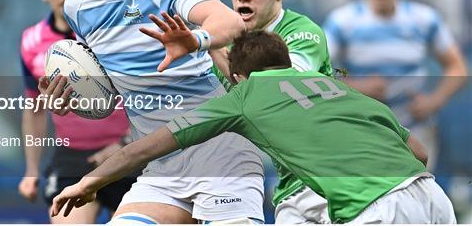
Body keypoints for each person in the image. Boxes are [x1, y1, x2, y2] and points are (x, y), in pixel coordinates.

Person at [50, 29, 457, 224]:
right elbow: (419, 152)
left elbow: (151, 145)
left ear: (240, 76)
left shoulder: (245, 95)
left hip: (377, 209)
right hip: (431, 197)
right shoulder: (340, 89)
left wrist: (90, 182)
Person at [38, 0, 265, 224]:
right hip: (161, 166)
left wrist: (194, 40)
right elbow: (110, 83)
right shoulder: (77, 7)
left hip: (220, 153)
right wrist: (73, 97)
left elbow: (230, 21)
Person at [210, 0, 332, 223]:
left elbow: (278, 93)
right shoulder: (224, 40)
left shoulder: (304, 34)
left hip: (331, 175)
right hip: (290, 183)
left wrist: (210, 46)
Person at [323, 0, 468, 171]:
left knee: (414, 196)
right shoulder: (342, 22)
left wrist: (434, 101)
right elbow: (315, 73)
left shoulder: (423, 18)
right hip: (364, 127)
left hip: (415, 128)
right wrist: (357, 87)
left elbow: (457, 67)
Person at [19, 0, 134, 223]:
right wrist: (31, 170)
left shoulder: (115, 31)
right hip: (71, 159)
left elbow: (152, 96)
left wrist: (127, 141)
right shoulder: (31, 42)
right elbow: (34, 109)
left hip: (129, 155)